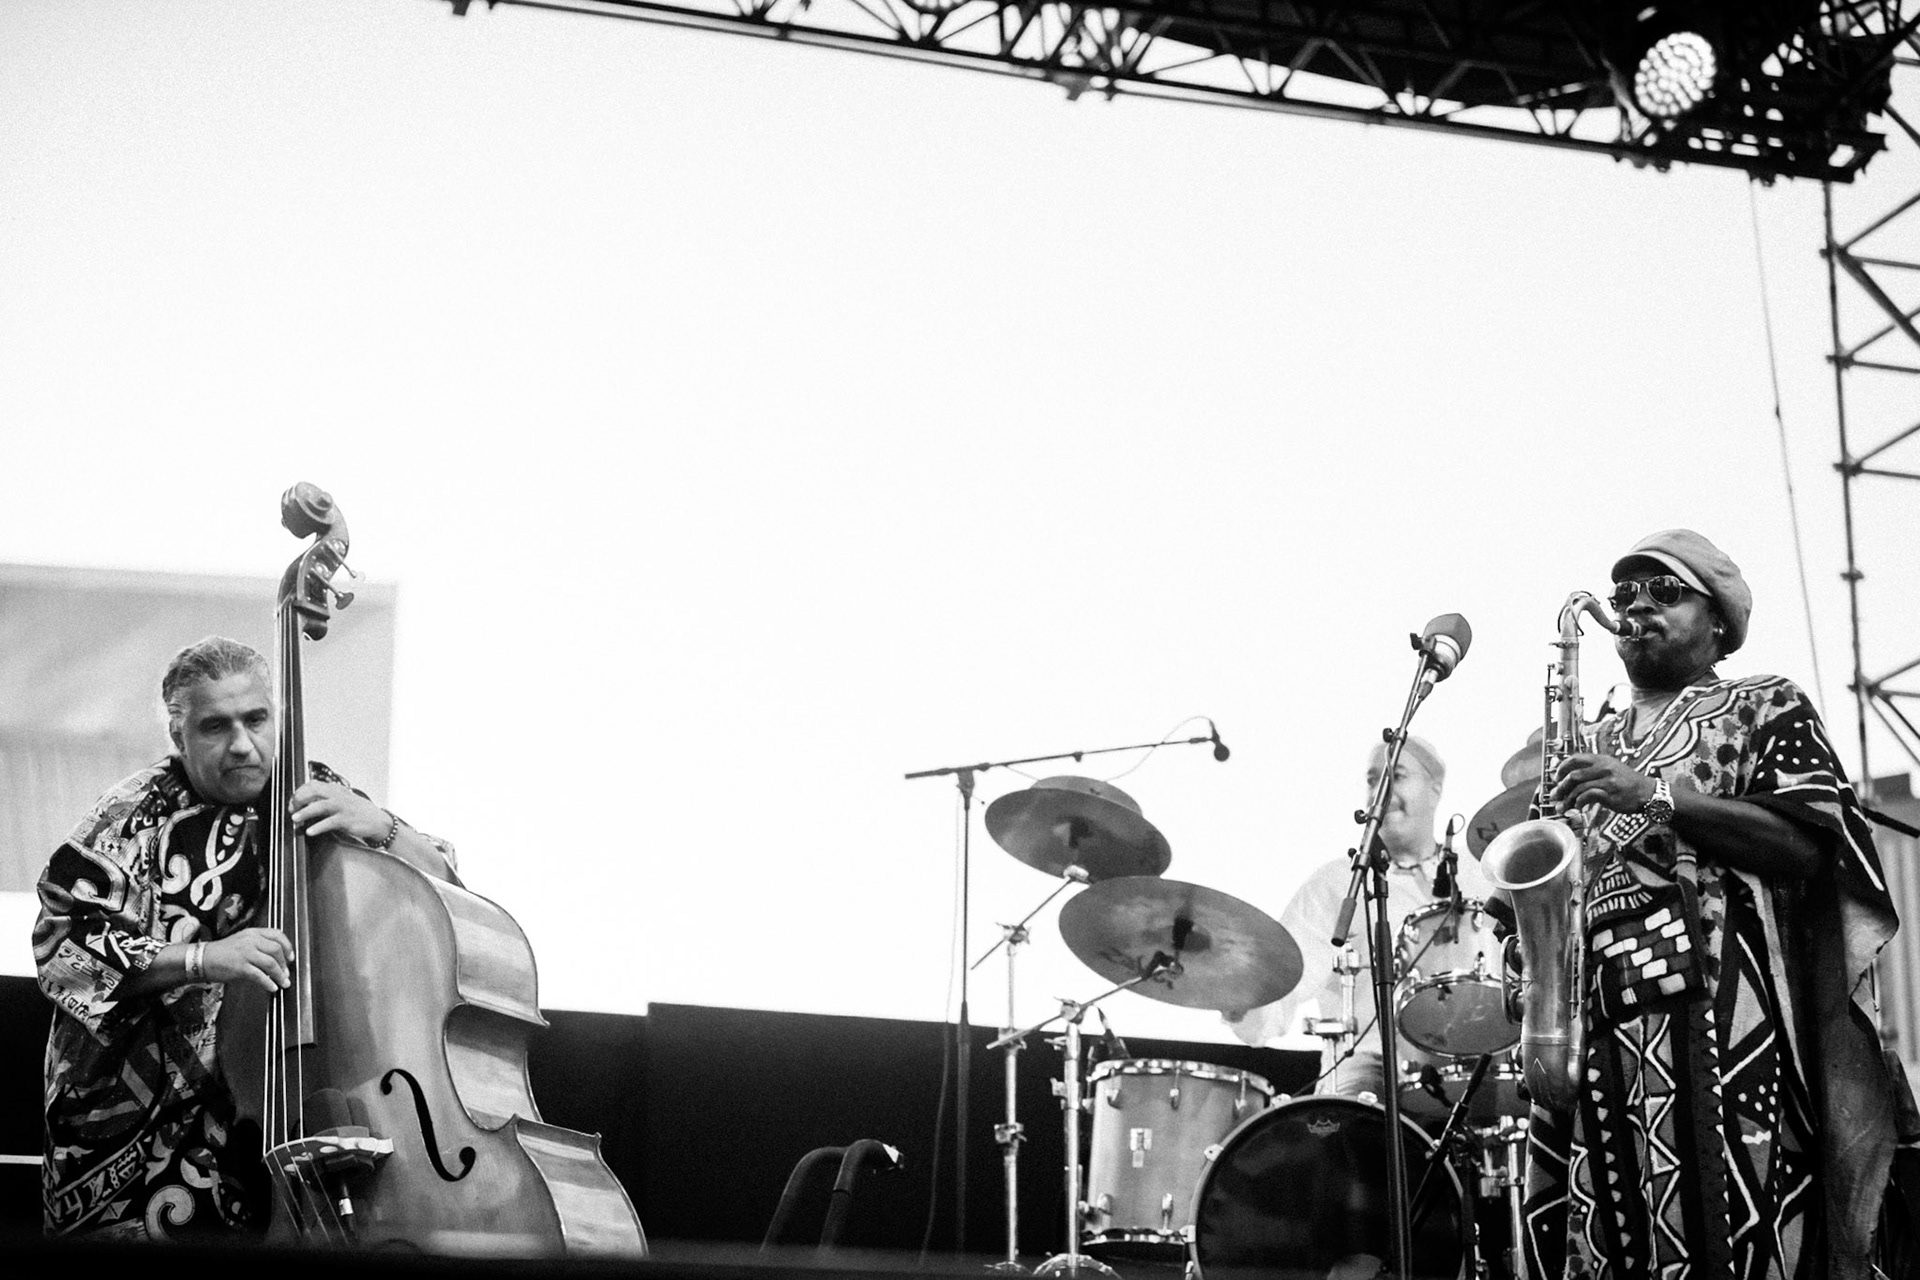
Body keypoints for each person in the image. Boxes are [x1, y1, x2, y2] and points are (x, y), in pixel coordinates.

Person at [1519, 529, 1905, 1280]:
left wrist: (1657, 796)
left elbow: (1809, 845)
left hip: (1723, 1026)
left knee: (1737, 1238)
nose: (1636, 606)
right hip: (1598, 1028)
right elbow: (1539, 888)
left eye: (1665, 592)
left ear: (1720, 622)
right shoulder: (1584, 740)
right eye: (1625, 592)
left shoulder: (1764, 702)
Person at [32, 636, 457, 1240]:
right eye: (214, 727)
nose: (242, 744)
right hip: (142, 1138)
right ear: (178, 738)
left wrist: (386, 831)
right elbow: (62, 946)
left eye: (255, 719)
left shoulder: (314, 789)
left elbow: (444, 895)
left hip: (286, 1108)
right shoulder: (128, 819)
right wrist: (206, 958)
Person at [1226, 735, 1496, 1102]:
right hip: (1366, 1059)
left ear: (1435, 789)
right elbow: (1284, 982)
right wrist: (1233, 992)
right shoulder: (1337, 884)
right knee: (1346, 1117)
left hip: (1475, 1056)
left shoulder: (1479, 873)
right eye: (1373, 780)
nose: (1381, 791)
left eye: (1397, 776)